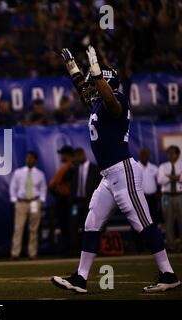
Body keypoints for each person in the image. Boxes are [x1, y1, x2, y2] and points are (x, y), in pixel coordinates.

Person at [52, 47, 179, 293]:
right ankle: (80, 277)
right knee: (92, 221)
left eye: (96, 82)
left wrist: (98, 75)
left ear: (105, 82)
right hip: (109, 176)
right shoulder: (98, 104)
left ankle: (168, 273)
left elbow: (108, 98)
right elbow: (85, 92)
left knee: (143, 222)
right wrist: (73, 68)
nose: (91, 88)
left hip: (124, 171)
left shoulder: (116, 99)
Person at [9, 151, 47, 259]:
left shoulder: (40, 174)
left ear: (35, 160)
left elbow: (43, 188)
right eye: (27, 158)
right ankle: (15, 253)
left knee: (33, 229)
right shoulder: (18, 172)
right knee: (18, 228)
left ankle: (32, 253)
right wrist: (14, 200)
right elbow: (13, 187)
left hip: (34, 202)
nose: (29, 160)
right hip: (21, 202)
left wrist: (41, 200)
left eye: (31, 158)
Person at [67, 148, 101, 255]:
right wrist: (70, 167)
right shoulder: (74, 169)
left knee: (88, 225)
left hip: (89, 202)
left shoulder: (94, 168)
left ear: (83, 155)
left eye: (78, 156)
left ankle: (89, 249)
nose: (76, 159)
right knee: (74, 225)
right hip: (76, 203)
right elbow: (67, 180)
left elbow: (99, 186)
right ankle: (75, 250)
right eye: (75, 157)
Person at [49, 145, 74, 254]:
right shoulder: (74, 166)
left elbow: (51, 185)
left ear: (67, 155)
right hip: (71, 201)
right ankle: (69, 248)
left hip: (65, 200)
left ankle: (67, 249)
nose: (60, 156)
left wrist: (59, 195)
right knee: (70, 225)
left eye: (62, 154)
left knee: (66, 226)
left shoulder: (66, 167)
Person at [158, 145, 182, 252]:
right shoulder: (163, 166)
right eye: (169, 153)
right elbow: (160, 180)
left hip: (179, 195)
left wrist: (169, 177)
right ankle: (171, 245)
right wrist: (176, 177)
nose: (170, 155)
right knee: (168, 221)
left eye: (173, 153)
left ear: (178, 154)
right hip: (167, 196)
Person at [139, 148, 160, 224]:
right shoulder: (135, 167)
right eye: (143, 154)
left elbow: (160, 181)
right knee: (141, 217)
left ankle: (154, 234)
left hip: (152, 197)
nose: (145, 156)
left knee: (154, 216)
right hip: (140, 197)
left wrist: (158, 192)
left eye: (146, 155)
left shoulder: (154, 168)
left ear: (148, 156)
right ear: (139, 155)